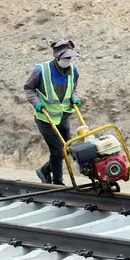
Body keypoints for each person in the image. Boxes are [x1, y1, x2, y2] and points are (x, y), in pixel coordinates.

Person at [23, 39, 82, 185]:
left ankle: (44, 170)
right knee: (58, 151)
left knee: (67, 149)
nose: (68, 60)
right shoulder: (41, 70)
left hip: (63, 117)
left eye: (70, 57)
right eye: (66, 58)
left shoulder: (73, 70)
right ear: (57, 57)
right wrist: (36, 103)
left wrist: (74, 97)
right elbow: (28, 88)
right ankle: (57, 182)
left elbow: (73, 88)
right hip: (45, 118)